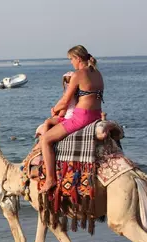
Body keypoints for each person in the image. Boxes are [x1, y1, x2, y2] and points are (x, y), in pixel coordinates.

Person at [39, 45, 104, 193]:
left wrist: (54, 110)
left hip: (81, 117)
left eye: (71, 59)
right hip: (96, 115)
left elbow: (65, 101)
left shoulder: (78, 74)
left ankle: (50, 179)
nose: (71, 63)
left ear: (78, 59)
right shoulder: (98, 73)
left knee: (46, 139)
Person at [35, 71, 76, 137]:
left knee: (48, 121)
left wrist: (55, 113)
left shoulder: (68, 94)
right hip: (75, 116)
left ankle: (44, 139)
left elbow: (63, 110)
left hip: (69, 118)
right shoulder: (78, 93)